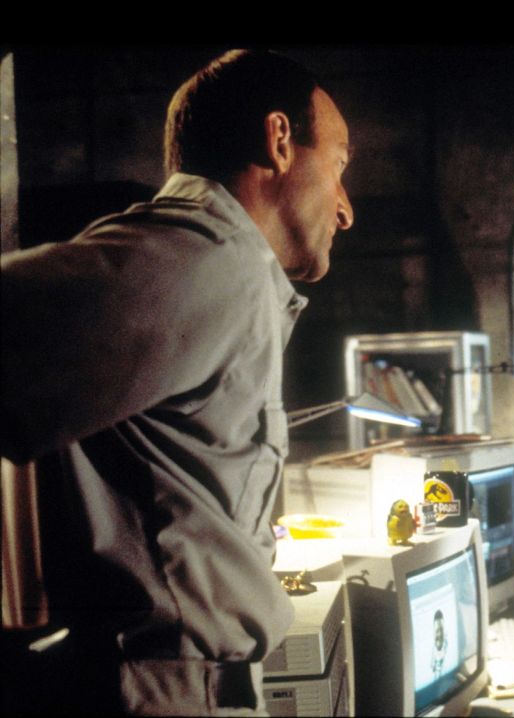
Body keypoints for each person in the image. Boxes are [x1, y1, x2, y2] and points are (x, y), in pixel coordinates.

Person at [0, 49, 354, 715]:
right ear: (280, 141)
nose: (345, 210)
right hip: (164, 692)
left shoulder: (230, 270)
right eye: (338, 166)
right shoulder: (205, 259)